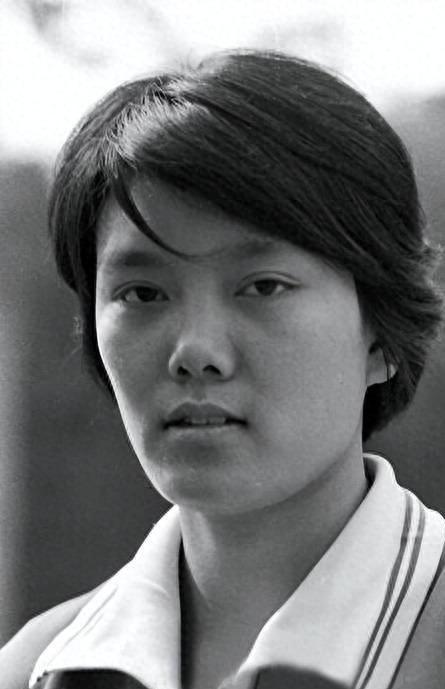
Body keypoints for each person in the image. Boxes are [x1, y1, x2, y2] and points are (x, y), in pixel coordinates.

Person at [1, 48, 444, 689]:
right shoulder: (40, 670)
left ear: (381, 333)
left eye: (263, 287)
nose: (195, 351)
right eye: (143, 294)